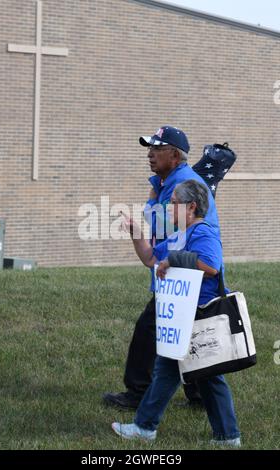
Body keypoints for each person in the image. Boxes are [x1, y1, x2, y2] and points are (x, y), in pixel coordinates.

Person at [111, 179, 241, 447]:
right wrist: (136, 233)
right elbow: (150, 258)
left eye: (173, 204)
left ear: (191, 206)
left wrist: (173, 260)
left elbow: (211, 265)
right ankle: (224, 437)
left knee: (201, 373)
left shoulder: (203, 232)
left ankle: (148, 427)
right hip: (183, 315)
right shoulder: (179, 234)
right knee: (178, 370)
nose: (169, 209)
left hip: (200, 313)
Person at [103, 126, 224, 410]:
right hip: (179, 277)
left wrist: (154, 196)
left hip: (187, 279)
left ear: (174, 154)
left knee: (150, 330)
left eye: (156, 149)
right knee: (184, 335)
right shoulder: (169, 181)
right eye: (149, 148)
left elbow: (164, 230)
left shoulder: (179, 184)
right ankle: (198, 397)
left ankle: (139, 394)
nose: (150, 154)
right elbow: (157, 237)